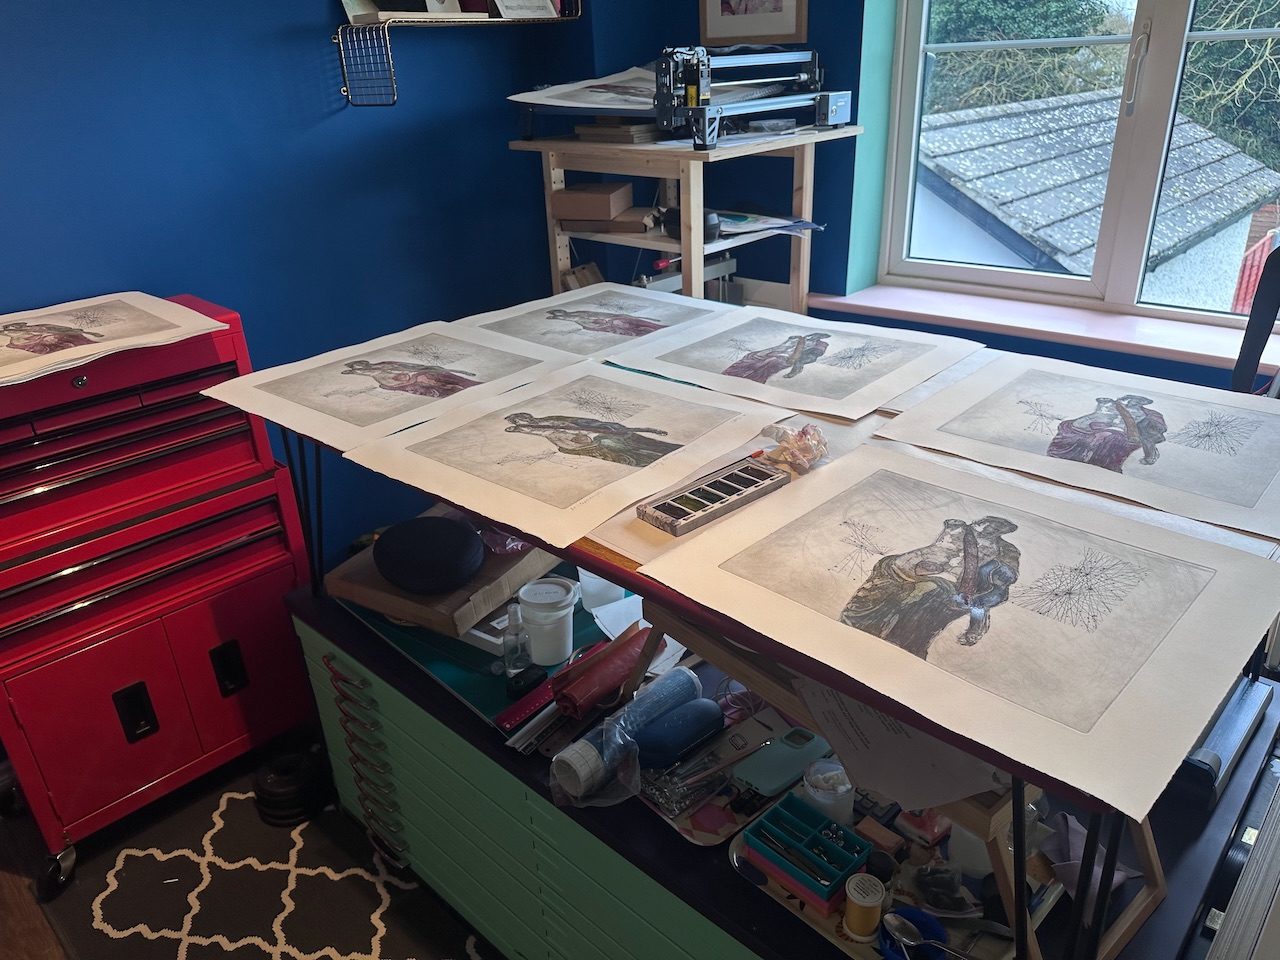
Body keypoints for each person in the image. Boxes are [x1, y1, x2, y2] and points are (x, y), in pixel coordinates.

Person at [841, 516, 1020, 659]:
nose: (990, 528)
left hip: (941, 589)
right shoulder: (956, 527)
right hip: (896, 571)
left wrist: (978, 612)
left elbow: (1001, 586)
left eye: (997, 528)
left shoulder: (1005, 550)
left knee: (910, 634)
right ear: (979, 521)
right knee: (859, 616)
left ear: (1003, 532)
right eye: (987, 523)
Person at [503, 412, 680, 467]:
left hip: (602, 434)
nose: (522, 422)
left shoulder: (551, 419)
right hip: (584, 444)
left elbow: (582, 422)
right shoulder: (530, 429)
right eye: (518, 422)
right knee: (625, 454)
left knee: (646, 445)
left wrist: (605, 428)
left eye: (522, 419)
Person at [1046, 394, 1166, 472]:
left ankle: (1095, 464)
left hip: (1125, 434)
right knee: (1069, 428)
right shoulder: (1112, 407)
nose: (1129, 403)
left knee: (1107, 438)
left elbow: (1146, 431)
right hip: (1103, 428)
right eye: (1128, 401)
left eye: (1134, 402)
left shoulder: (1147, 415)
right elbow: (1099, 417)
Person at [340, 359, 481, 398]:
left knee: (437, 377)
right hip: (409, 383)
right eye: (357, 368)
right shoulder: (378, 375)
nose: (362, 368)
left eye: (361, 365)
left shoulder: (384, 365)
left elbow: (412, 367)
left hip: (419, 376)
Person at [722, 333, 829, 383]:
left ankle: (751, 382)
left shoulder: (820, 344)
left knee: (771, 362)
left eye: (815, 337)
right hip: (774, 352)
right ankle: (729, 376)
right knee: (750, 358)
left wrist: (796, 359)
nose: (812, 337)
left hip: (787, 357)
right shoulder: (796, 338)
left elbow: (813, 354)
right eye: (811, 336)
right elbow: (780, 346)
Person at [544, 308, 666, 338]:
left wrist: (605, 320)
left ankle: (663, 329)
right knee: (636, 332)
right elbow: (586, 323)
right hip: (608, 324)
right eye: (558, 315)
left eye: (559, 314)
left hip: (613, 320)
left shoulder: (578, 313)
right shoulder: (576, 319)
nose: (561, 316)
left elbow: (593, 314)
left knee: (646, 325)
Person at [1, 321, 104, 355]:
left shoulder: (40, 327)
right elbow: (38, 350)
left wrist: (90, 332)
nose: (14, 330)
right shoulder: (16, 341)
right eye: (10, 330)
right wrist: (44, 340)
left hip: (73, 341)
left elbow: (64, 329)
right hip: (56, 351)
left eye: (16, 327)